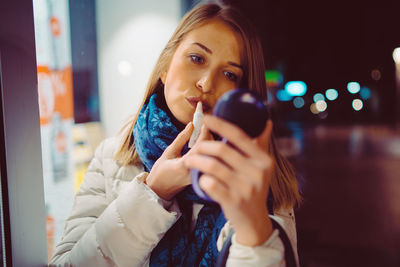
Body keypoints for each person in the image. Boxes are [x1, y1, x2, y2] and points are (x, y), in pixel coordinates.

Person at [50, 2, 301, 266]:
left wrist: (254, 229)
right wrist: (154, 192)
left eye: (229, 74)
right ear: (165, 68)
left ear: (243, 92)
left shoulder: (258, 177)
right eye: (197, 58)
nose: (206, 83)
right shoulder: (112, 157)